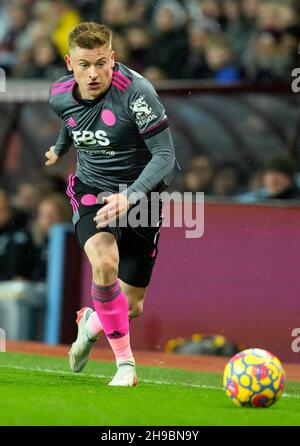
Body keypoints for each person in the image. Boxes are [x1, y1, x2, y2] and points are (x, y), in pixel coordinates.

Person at [45, 22, 179, 386]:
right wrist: (59, 149)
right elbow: (69, 121)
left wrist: (131, 196)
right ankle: (125, 366)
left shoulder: (137, 93)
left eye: (101, 63)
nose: (94, 73)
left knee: (131, 306)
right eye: (85, 64)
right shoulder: (58, 93)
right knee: (104, 262)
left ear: (113, 58)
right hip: (91, 187)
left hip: (142, 196)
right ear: (69, 63)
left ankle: (89, 324)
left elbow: (166, 156)